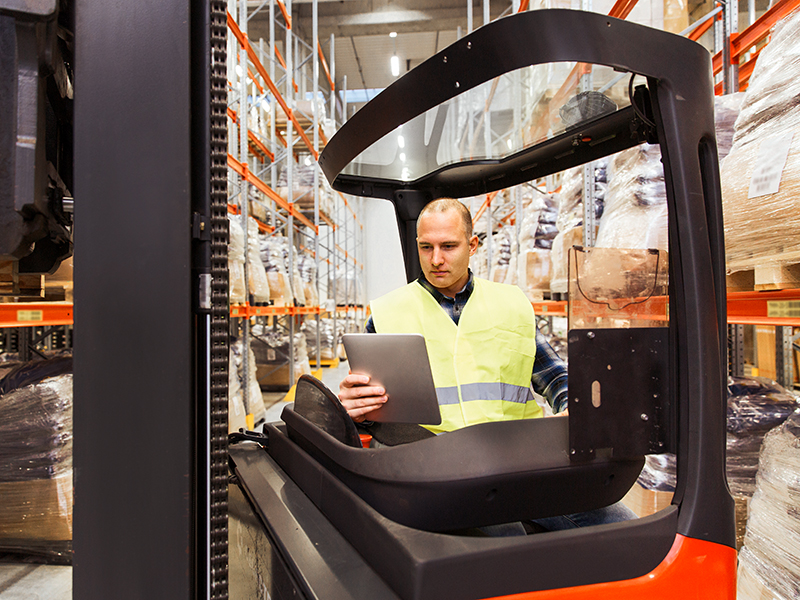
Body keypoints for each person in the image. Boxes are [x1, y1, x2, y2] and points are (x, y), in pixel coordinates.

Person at [339, 197, 635, 532]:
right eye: (426, 247)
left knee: (623, 526)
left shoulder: (511, 304)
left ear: (472, 244)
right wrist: (356, 407)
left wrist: (573, 407)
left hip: (518, 463)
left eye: (448, 246)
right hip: (437, 471)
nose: (436, 259)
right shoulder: (387, 314)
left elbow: (554, 375)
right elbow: (370, 411)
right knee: (505, 538)